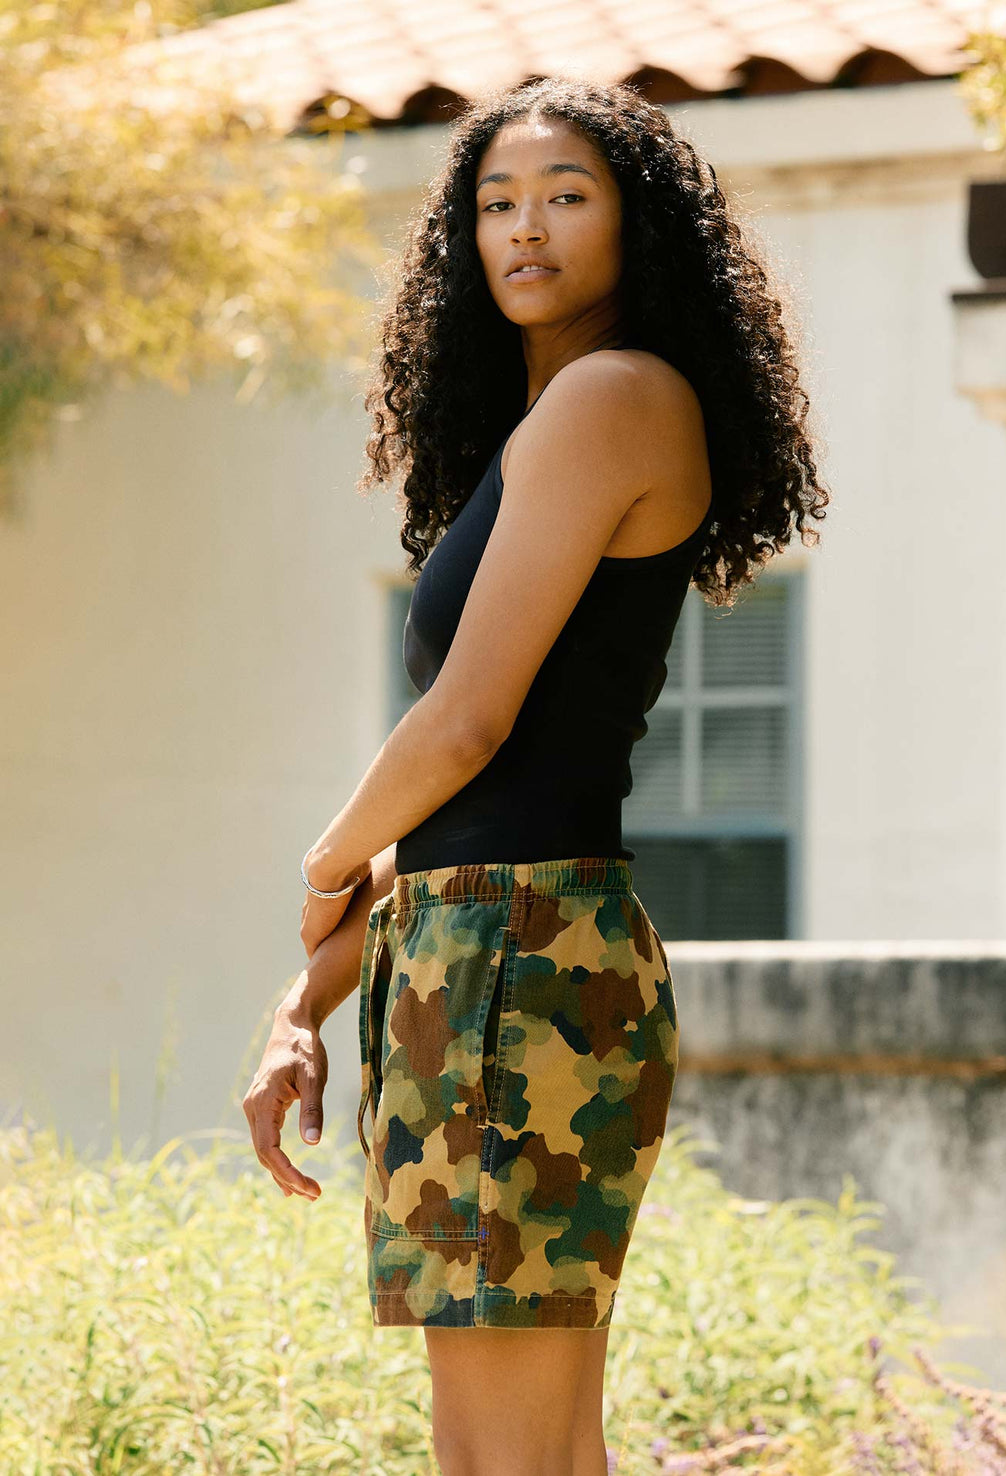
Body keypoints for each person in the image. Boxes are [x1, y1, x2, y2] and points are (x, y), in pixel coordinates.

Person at [244, 75, 829, 1476]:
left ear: (643, 227)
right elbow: (479, 802)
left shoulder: (614, 397)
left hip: (509, 961)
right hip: (501, 947)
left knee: (503, 1462)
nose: (526, 229)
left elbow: (465, 728)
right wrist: (305, 1000)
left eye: (568, 195)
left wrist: (320, 866)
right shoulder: (563, 421)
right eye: (496, 203)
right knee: (540, 1455)